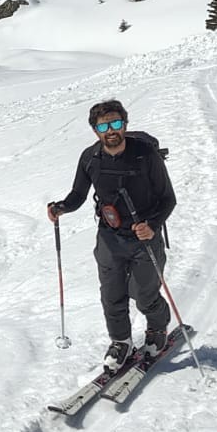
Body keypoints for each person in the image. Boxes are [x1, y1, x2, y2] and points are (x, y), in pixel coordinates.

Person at [47, 99, 177, 370]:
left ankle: (157, 328)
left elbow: (168, 199)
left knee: (144, 294)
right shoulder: (90, 157)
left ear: (125, 124)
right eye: (103, 126)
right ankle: (121, 341)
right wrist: (61, 208)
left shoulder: (145, 154)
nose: (111, 130)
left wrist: (152, 225)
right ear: (95, 130)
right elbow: (78, 195)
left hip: (144, 237)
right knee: (111, 293)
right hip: (109, 236)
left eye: (116, 123)